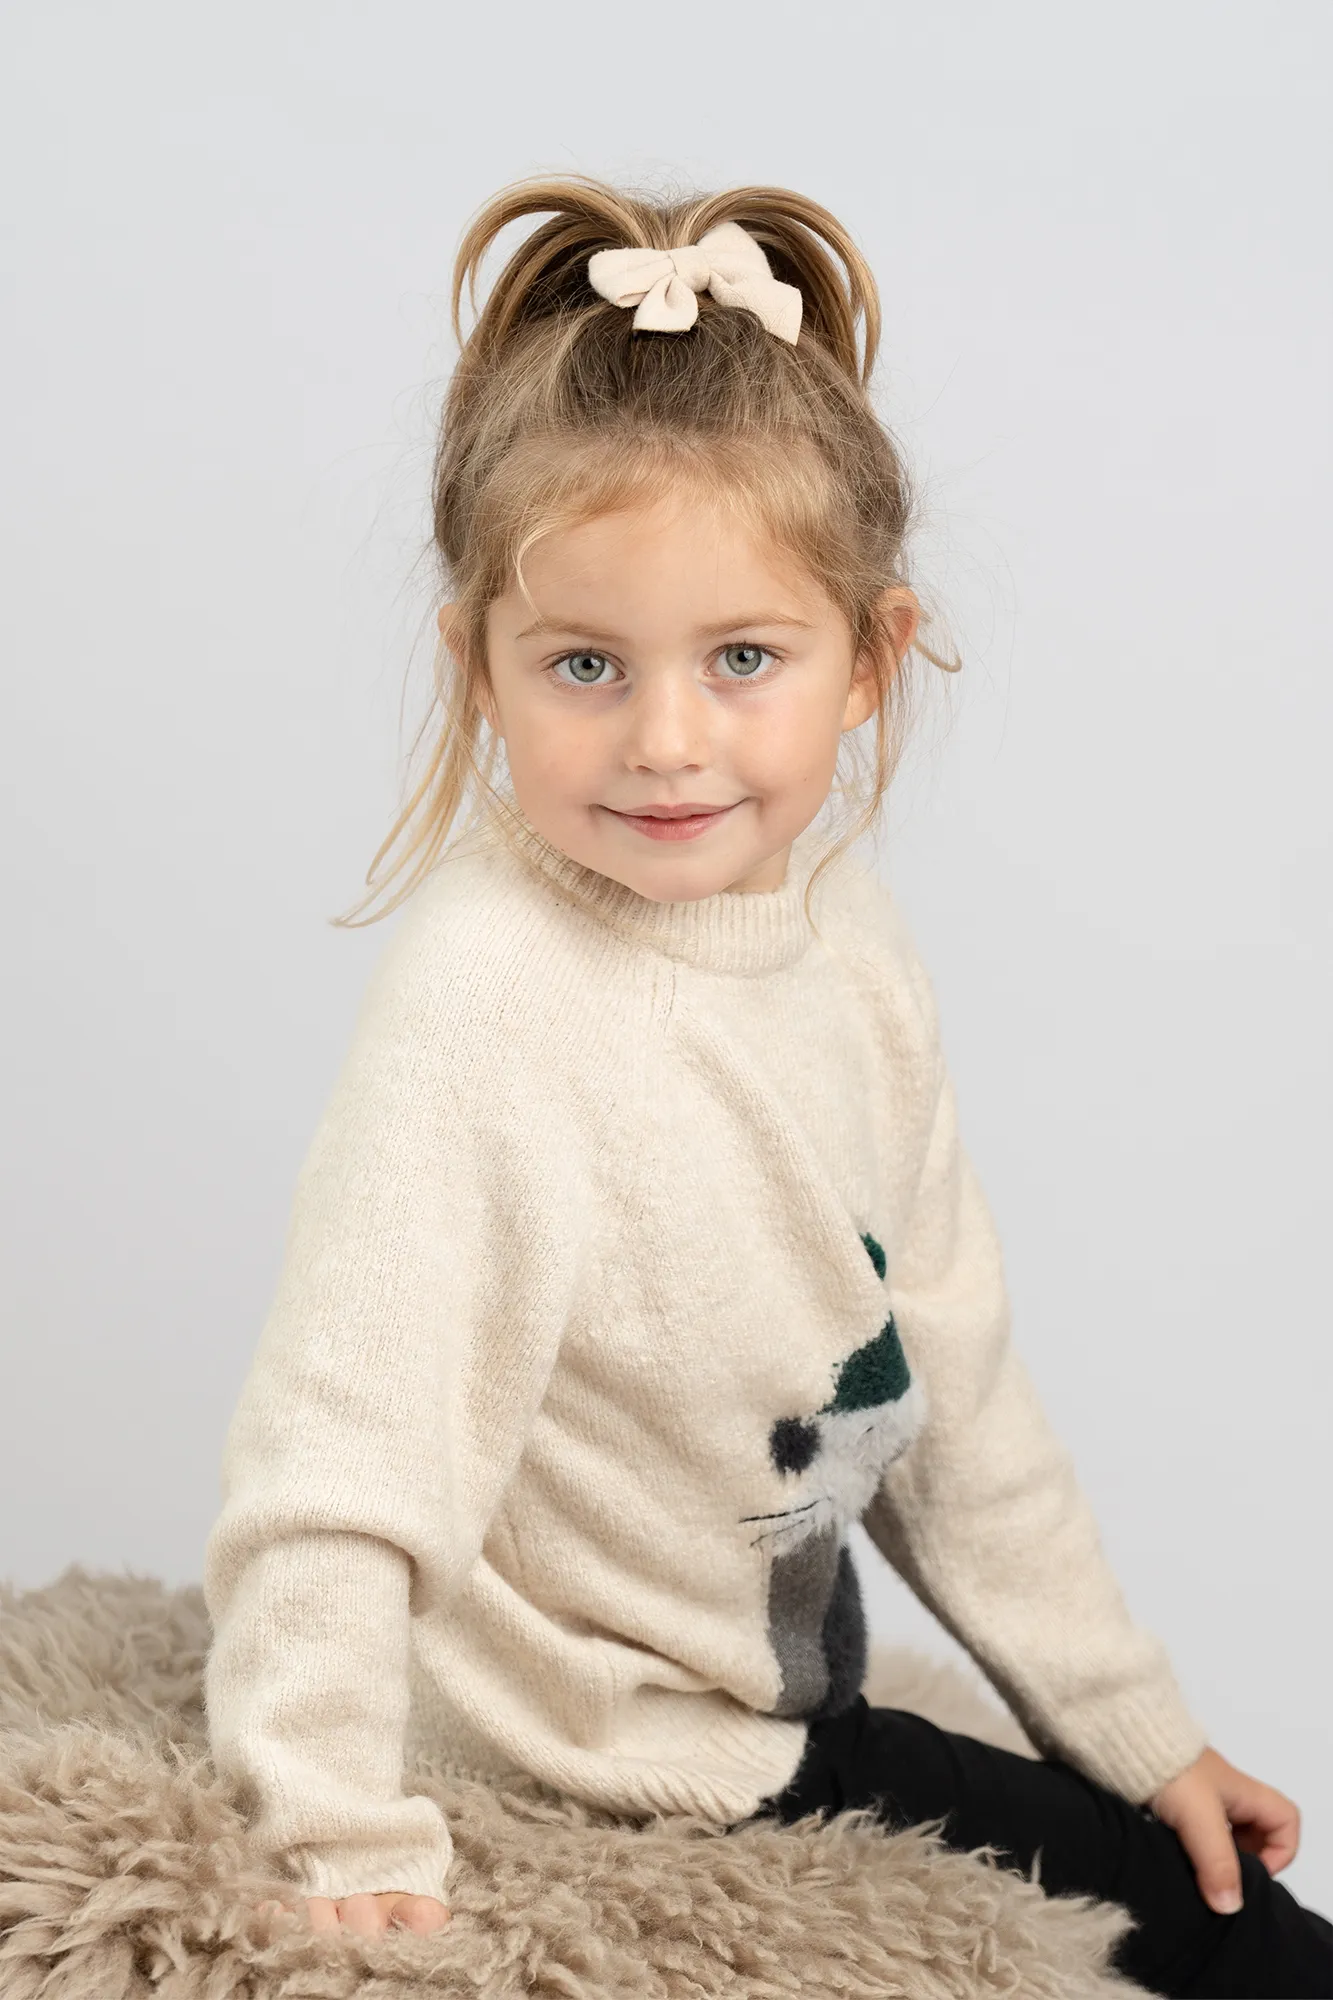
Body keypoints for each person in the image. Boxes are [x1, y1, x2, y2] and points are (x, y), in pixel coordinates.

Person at [201, 175, 1332, 1997]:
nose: (666, 742)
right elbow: (339, 1467)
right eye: (584, 665)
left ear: (869, 658)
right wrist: (337, 1830)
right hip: (579, 1759)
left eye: (743, 658)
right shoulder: (487, 1004)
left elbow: (952, 1394)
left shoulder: (847, 943)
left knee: (1244, 1935)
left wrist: (1133, 1736)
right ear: (478, 668)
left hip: (768, 1716)